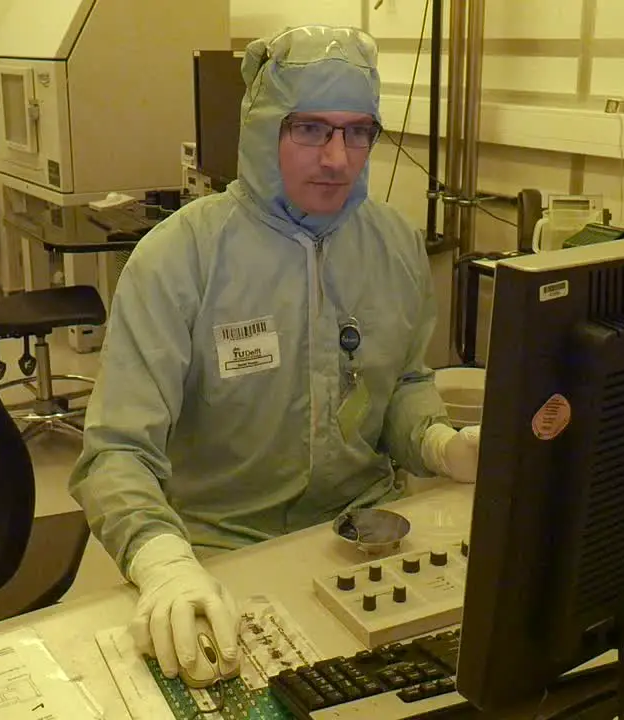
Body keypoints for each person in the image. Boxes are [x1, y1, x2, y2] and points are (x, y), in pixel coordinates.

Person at [68, 25, 481, 679]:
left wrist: (438, 443)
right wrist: (164, 565)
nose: (337, 159)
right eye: (310, 130)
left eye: (357, 133)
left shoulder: (395, 245)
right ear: (263, 132)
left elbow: (401, 381)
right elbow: (114, 456)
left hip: (369, 537)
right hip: (219, 554)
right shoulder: (180, 260)